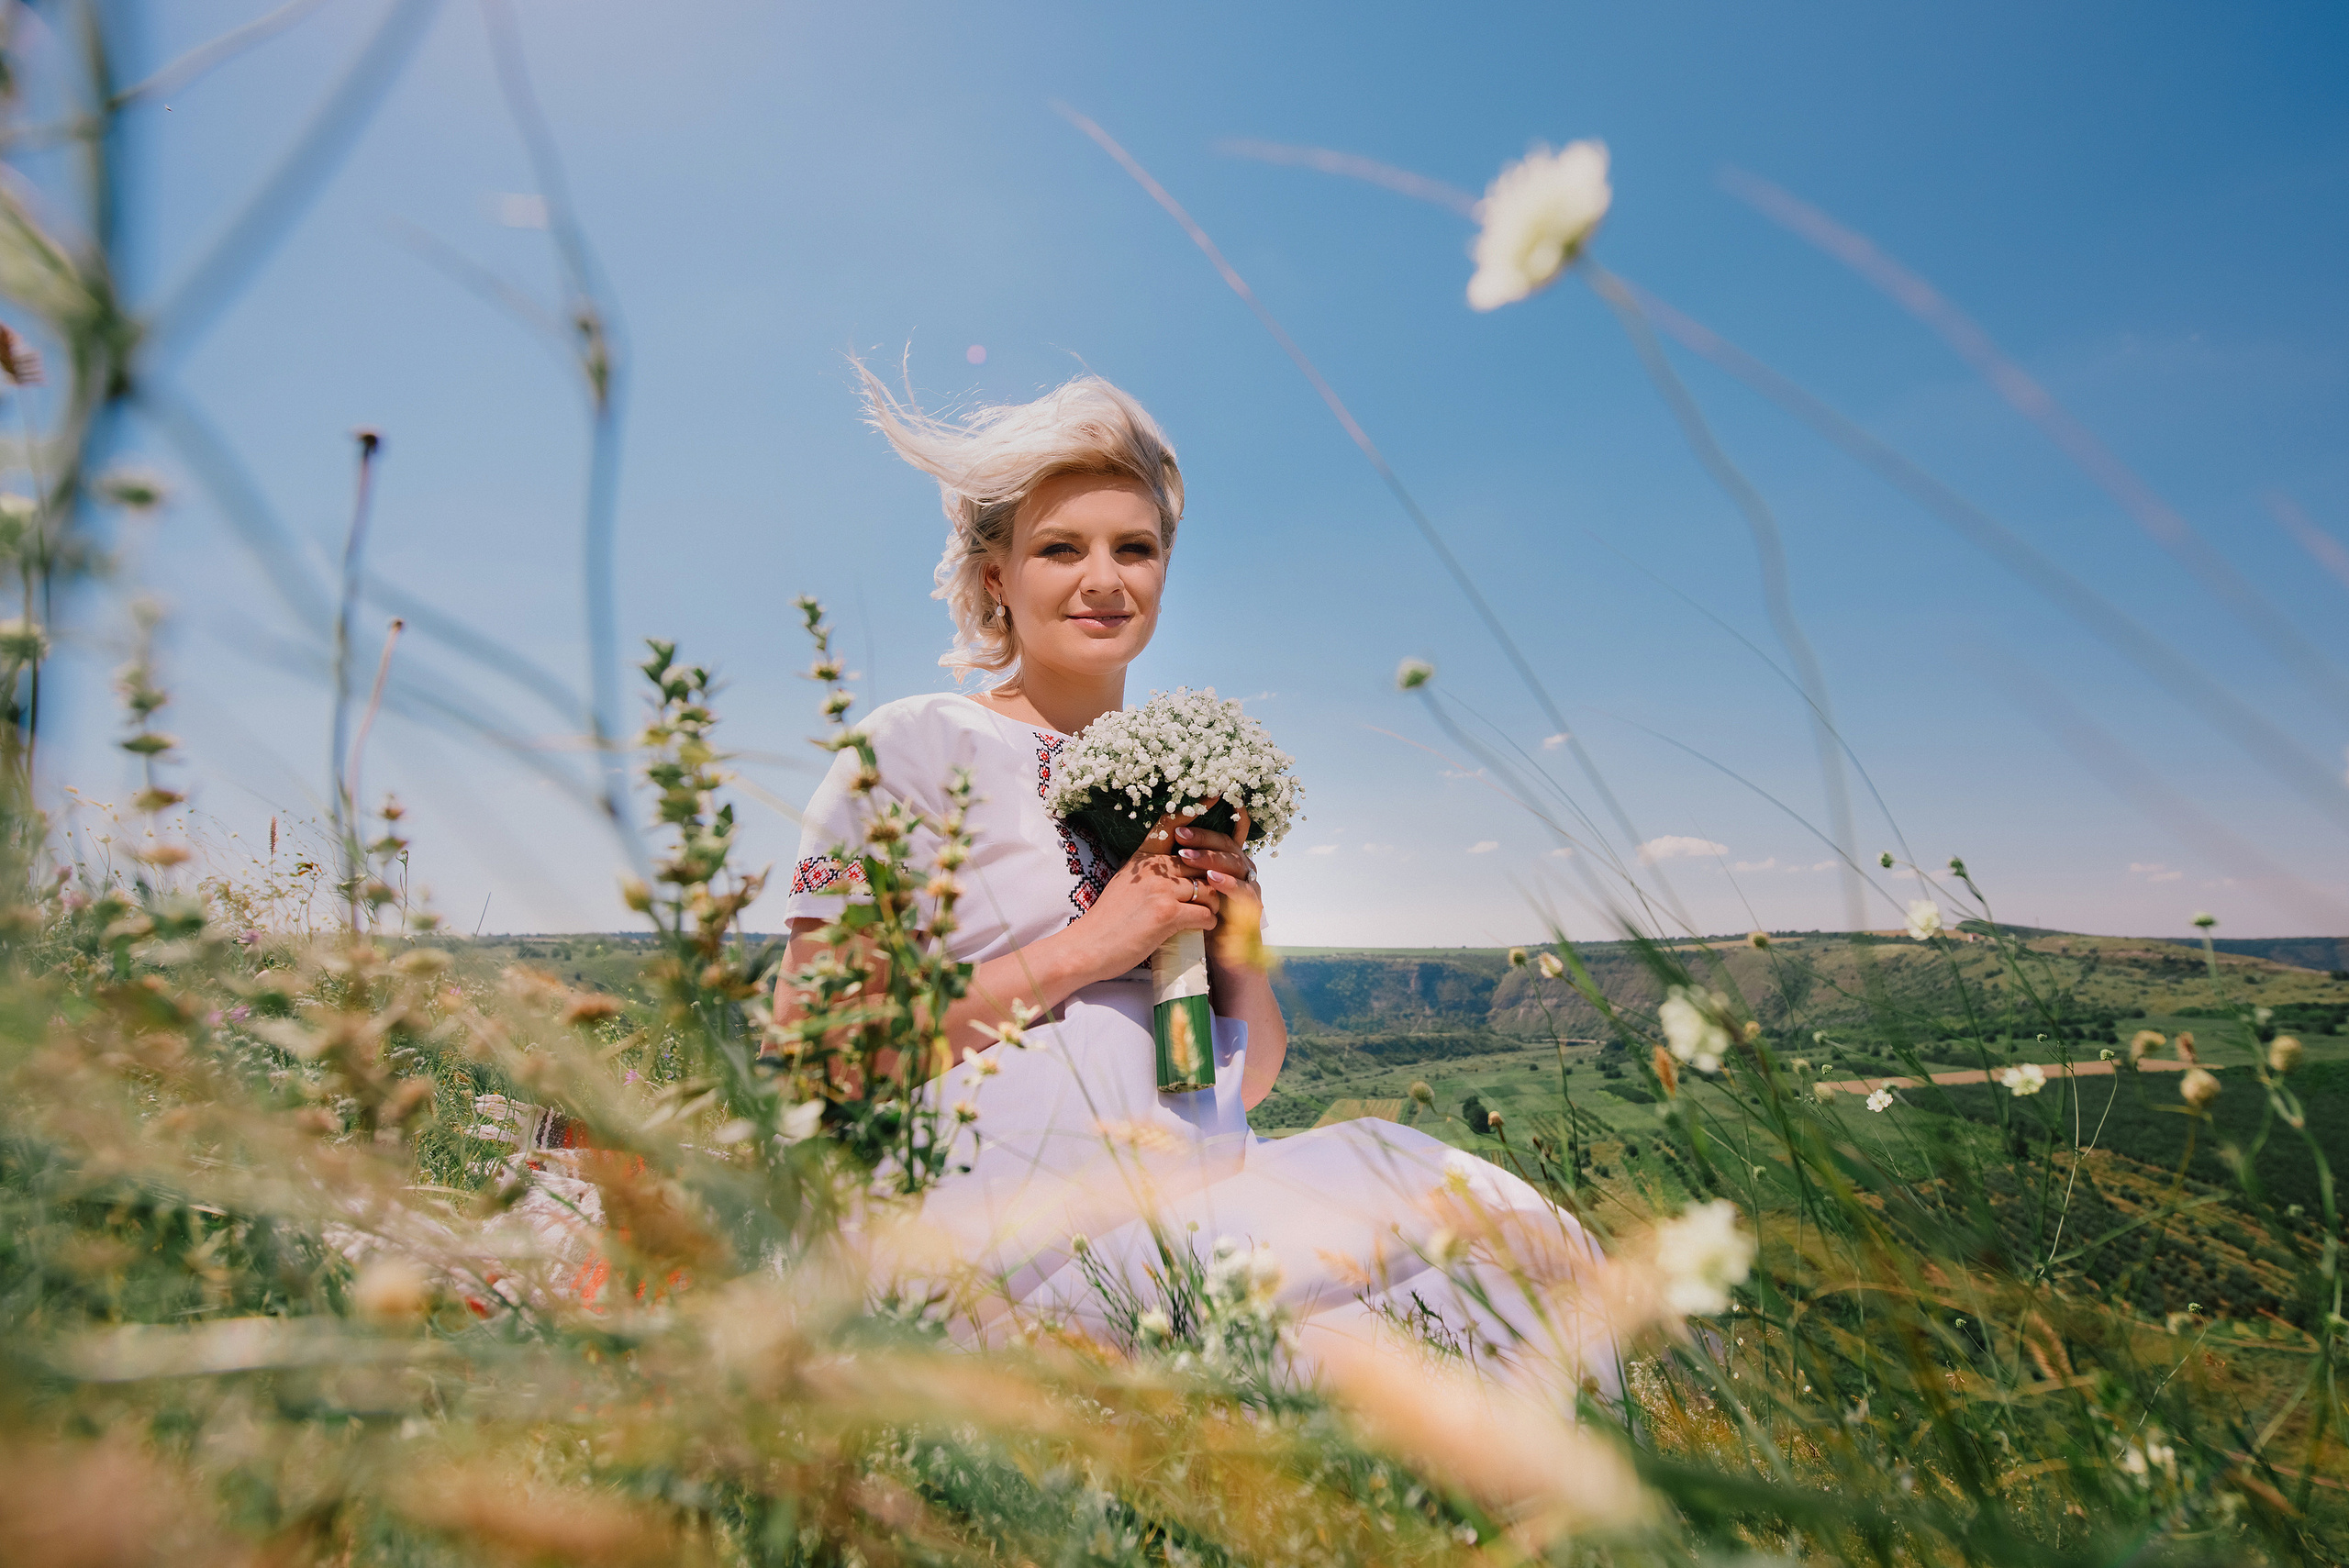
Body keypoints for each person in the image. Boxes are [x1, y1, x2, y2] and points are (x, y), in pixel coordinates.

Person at [778, 366, 1608, 1385]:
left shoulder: (1181, 773)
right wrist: (1094, 943)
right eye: (1058, 548)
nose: (1104, 578)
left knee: (1527, 1250)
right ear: (995, 574)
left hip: (1207, 1182)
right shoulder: (901, 746)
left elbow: (1237, 1079)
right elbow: (814, 1051)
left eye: (1135, 547)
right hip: (997, 1221)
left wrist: (1237, 944)